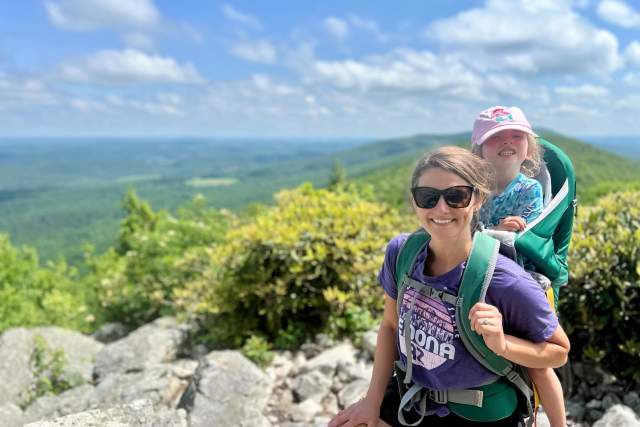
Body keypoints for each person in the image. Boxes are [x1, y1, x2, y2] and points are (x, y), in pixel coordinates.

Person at [328, 146, 569, 427]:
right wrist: (371, 402)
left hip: (479, 411)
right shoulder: (402, 253)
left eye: (456, 196)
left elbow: (559, 351)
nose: (441, 209)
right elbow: (391, 326)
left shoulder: (504, 279)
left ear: (478, 198)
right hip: (414, 397)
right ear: (415, 202)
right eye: (428, 197)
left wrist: (502, 344)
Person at [471, 106, 566, 427]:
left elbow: (527, 230)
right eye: (496, 137)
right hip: (479, 279)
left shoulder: (530, 188)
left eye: (516, 136)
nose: (507, 141)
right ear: (480, 149)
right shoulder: (473, 190)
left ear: (528, 147)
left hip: (519, 282)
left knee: (539, 362)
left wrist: (516, 225)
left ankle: (558, 423)